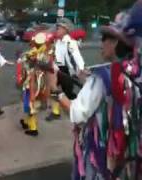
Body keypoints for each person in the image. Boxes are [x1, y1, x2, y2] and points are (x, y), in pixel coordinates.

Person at [52, 4, 142, 179]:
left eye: (104, 38)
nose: (101, 43)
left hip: (102, 159)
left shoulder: (101, 78)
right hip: (129, 158)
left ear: (116, 42)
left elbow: (76, 113)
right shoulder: (135, 74)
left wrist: (55, 91)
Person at [46, 18, 85, 121]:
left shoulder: (70, 42)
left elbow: (77, 56)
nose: (56, 30)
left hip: (67, 71)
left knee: (69, 93)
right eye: (57, 28)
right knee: (54, 90)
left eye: (59, 28)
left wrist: (81, 69)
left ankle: (80, 111)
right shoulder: (57, 42)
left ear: (65, 29)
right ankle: (56, 111)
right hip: (58, 69)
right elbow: (55, 56)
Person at [16, 32, 55, 136]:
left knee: (31, 104)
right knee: (30, 104)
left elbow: (24, 63)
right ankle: (26, 122)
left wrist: (31, 59)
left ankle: (33, 128)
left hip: (34, 83)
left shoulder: (39, 54)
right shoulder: (42, 53)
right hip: (38, 83)